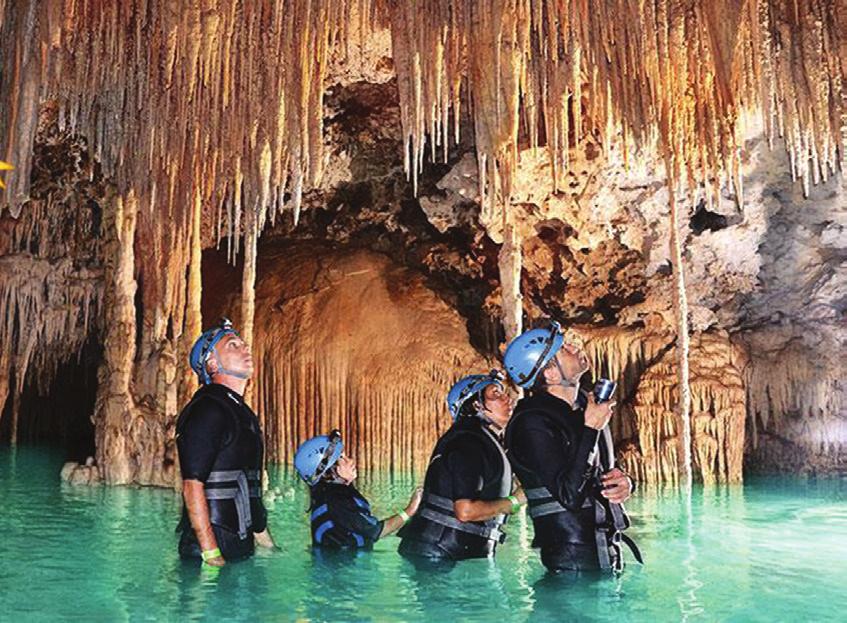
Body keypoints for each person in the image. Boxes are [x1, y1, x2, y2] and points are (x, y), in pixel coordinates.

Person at [503, 321, 641, 574]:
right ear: (551, 374)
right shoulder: (530, 423)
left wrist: (625, 483)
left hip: (604, 552)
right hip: (571, 564)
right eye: (563, 348)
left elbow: (597, 471)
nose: (574, 347)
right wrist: (591, 429)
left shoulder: (584, 407)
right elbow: (569, 495)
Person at [175, 318, 276, 567]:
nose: (246, 349)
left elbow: (251, 492)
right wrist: (211, 555)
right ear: (211, 363)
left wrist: (270, 547)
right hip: (207, 558)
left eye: (244, 344)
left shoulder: (240, 411)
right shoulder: (208, 409)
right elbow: (192, 485)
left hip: (237, 550)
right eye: (233, 345)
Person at [398, 370, 526, 562]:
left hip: (441, 553)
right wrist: (514, 502)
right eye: (495, 394)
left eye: (504, 392)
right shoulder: (469, 442)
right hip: (439, 555)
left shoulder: (479, 439)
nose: (507, 398)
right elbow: (465, 511)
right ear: (476, 405)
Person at [294, 430, 422, 549]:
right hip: (345, 569)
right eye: (342, 459)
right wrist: (410, 510)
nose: (351, 461)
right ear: (329, 471)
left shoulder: (327, 494)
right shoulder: (339, 500)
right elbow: (377, 531)